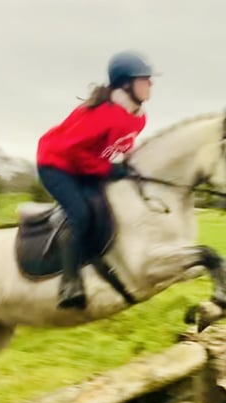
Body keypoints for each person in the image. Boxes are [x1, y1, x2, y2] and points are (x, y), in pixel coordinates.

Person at [36, 50, 155, 309]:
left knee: (110, 207)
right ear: (126, 84)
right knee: (80, 213)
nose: (151, 83)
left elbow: (121, 145)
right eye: (144, 79)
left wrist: (131, 166)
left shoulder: (139, 117)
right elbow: (74, 152)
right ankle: (69, 283)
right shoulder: (100, 114)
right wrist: (107, 171)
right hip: (55, 164)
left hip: (84, 165)